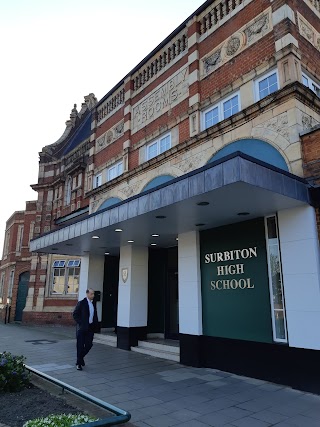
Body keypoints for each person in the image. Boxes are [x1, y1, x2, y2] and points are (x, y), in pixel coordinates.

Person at [73, 288, 98, 371]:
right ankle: (78, 363)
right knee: (80, 346)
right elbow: (75, 314)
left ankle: (80, 358)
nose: (93, 295)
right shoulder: (82, 303)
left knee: (89, 345)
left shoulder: (93, 303)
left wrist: (95, 324)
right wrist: (81, 323)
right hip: (82, 328)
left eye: (93, 294)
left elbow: (94, 315)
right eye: (91, 294)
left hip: (90, 328)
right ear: (87, 294)